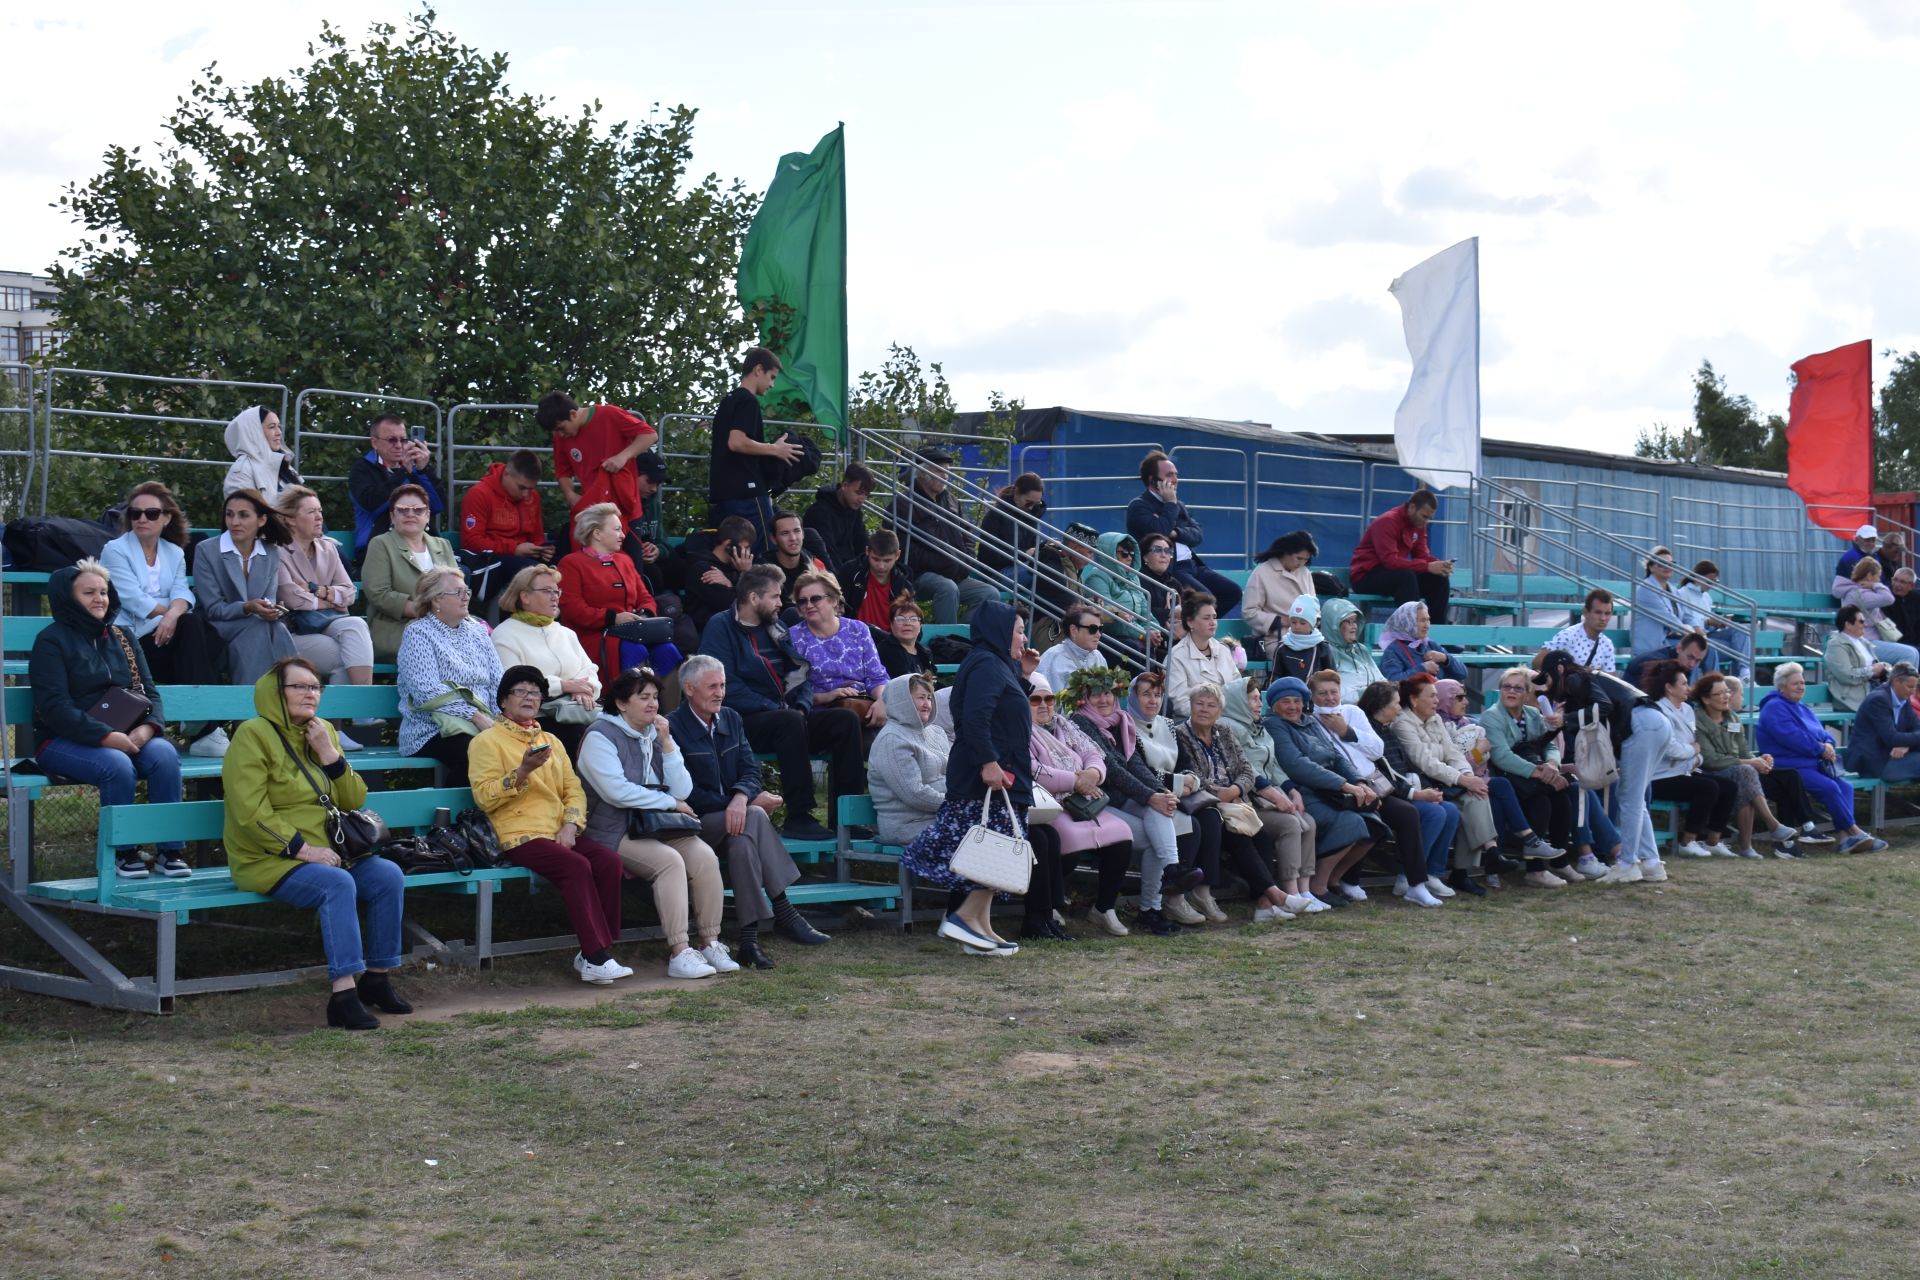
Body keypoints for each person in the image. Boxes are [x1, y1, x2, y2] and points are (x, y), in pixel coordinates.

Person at [221, 657, 411, 1028]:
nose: (311, 693)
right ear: (277, 692)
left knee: (387, 874)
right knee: (337, 884)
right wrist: (303, 851)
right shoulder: (253, 734)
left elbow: (354, 799)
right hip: (268, 858)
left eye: (315, 687)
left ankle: (377, 978)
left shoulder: (322, 731)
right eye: (300, 686)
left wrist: (329, 754)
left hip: (331, 853)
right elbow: (249, 812)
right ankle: (343, 995)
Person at [471, 665, 633, 985]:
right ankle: (597, 954)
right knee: (574, 866)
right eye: (521, 691)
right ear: (503, 701)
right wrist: (521, 772)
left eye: (535, 692)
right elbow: (484, 798)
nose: (529, 697)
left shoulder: (551, 741)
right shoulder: (487, 741)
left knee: (608, 861)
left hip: (558, 830)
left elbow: (573, 789)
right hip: (518, 833)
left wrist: (571, 824)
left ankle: (595, 951)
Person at [669, 654, 831, 969]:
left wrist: (742, 797)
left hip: (736, 819)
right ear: (689, 689)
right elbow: (685, 792)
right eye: (712, 686)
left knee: (743, 844)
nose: (720, 692)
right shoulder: (673, 727)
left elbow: (750, 769)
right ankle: (785, 912)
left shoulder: (731, 717)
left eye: (723, 685)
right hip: (692, 821)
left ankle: (748, 941)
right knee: (755, 817)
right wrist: (738, 804)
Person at [577, 664, 737, 980]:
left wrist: (667, 744)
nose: (652, 704)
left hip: (653, 825)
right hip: (611, 828)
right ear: (621, 703)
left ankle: (710, 942)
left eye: (654, 697)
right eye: (643, 697)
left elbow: (683, 789)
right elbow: (616, 792)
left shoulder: (652, 733)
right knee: (669, 862)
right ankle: (679, 952)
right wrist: (671, 803)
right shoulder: (600, 735)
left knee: (704, 855)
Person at [31, 561, 187, 880]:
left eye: (103, 591)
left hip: (129, 734)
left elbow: (150, 693)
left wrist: (148, 729)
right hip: (62, 741)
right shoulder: (51, 641)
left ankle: (170, 851)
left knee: (165, 754)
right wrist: (105, 737)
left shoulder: (123, 637)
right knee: (115, 764)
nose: (99, 599)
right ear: (68, 598)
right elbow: (54, 707)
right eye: (89, 592)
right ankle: (122, 852)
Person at [902, 602, 1038, 956]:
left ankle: (980, 930)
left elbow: (1004, 713)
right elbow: (976, 721)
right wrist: (989, 763)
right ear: (998, 629)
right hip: (989, 778)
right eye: (1019, 630)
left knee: (997, 854)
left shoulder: (997, 664)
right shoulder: (986, 664)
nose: (1024, 637)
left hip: (1004, 774)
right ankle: (963, 918)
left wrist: (1022, 676)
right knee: (993, 852)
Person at [700, 564, 864, 841]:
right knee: (788, 721)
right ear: (754, 598)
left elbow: (801, 673)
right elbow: (725, 686)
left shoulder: (775, 626)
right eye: (775, 596)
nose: (781, 602)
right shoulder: (721, 626)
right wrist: (776, 707)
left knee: (844, 721)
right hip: (743, 720)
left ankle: (847, 818)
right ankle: (799, 816)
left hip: (786, 715)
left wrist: (802, 705)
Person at [1071, 667, 1207, 936]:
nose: (1104, 700)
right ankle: (1153, 904)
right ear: (1084, 698)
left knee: (1162, 817)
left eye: (1108, 693)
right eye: (1095, 694)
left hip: (1123, 799)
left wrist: (1160, 793)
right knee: (1157, 831)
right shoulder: (1081, 722)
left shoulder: (1119, 720)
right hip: (1097, 801)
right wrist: (1150, 796)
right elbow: (1112, 769)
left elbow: (1135, 764)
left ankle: (1158, 896)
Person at [98, 481, 225, 755]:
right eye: (135, 513)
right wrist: (172, 613)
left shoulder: (174, 552)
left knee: (210, 637)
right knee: (196, 629)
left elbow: (182, 593)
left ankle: (200, 723)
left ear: (166, 518)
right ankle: (204, 727)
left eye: (151, 513)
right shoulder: (115, 550)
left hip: (165, 638)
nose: (142, 518)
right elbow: (132, 598)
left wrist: (172, 615)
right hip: (130, 643)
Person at [1175, 683, 1300, 923]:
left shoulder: (1224, 731)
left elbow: (1246, 769)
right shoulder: (1180, 734)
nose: (1204, 709)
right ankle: (1275, 896)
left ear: (1219, 711)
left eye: (1211, 705)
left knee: (1261, 837)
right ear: (1190, 707)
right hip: (1206, 804)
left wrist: (1235, 789)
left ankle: (1264, 905)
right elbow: (1188, 771)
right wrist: (1216, 792)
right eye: (1199, 704)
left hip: (1235, 802)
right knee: (1239, 837)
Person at [1027, 672, 1135, 938]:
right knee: (1069, 841)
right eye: (1035, 699)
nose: (1044, 705)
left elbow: (1093, 753)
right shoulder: (1022, 730)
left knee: (1122, 836)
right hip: (1050, 804)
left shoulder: (1064, 724)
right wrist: (1075, 781)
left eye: (1049, 698)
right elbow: (1033, 770)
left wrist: (1092, 775)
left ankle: (1104, 907)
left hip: (1086, 799)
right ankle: (1051, 905)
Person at [1262, 677, 1378, 909]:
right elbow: (1297, 764)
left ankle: (1333, 880)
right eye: (1285, 701)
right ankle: (1318, 885)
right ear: (1274, 705)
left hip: (1331, 791)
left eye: (1297, 700)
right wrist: (1345, 786)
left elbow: (1336, 756)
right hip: (1304, 793)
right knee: (1352, 822)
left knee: (1374, 825)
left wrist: (1360, 782)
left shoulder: (1309, 722)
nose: (1293, 706)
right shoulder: (1274, 724)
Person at [273, 486, 375, 748]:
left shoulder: (328, 549)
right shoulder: (278, 551)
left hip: (327, 624)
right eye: (311, 512)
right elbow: (291, 598)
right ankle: (341, 723)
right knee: (346, 656)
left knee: (355, 624)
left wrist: (319, 592)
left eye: (320, 511)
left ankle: (343, 721)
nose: (320, 517)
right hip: (293, 632)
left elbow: (350, 592)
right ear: (291, 519)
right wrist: (332, 597)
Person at [1215, 674, 1323, 915]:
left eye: (1258, 699)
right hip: (1249, 801)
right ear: (1238, 701)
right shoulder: (1228, 726)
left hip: (1268, 796)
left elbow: (1273, 766)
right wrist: (1276, 796)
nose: (1258, 704)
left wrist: (1292, 791)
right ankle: (1290, 891)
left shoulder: (1258, 727)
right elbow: (1247, 769)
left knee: (1309, 822)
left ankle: (1305, 891)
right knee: (1290, 824)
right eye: (1253, 699)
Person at [1754, 662, 1886, 853]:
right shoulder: (1774, 708)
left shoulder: (1802, 707)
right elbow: (1792, 738)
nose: (1801, 687)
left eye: (1802, 683)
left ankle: (1844, 839)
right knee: (1829, 787)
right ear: (1782, 687)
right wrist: (1820, 748)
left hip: (1813, 763)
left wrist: (1830, 745)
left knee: (1845, 787)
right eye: (1795, 684)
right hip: (1789, 766)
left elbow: (1822, 733)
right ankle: (1854, 831)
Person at [1391, 673, 1500, 895]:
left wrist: (1469, 776)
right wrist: (1463, 779)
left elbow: (1453, 754)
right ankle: (1483, 856)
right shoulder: (1402, 722)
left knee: (1475, 796)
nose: (1436, 701)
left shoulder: (1435, 718)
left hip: (1443, 781)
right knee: (1448, 809)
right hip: (1420, 785)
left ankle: (1436, 872)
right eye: (1431, 696)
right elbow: (1425, 761)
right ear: (1413, 699)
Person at [1359, 682, 1464, 907]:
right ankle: (1408, 877)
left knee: (1451, 811)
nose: (1400, 708)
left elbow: (1407, 766)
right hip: (1387, 795)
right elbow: (1381, 775)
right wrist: (1417, 794)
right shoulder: (1369, 732)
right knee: (1435, 814)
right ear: (1381, 706)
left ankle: (1432, 872)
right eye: (1396, 703)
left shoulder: (1387, 728)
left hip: (1406, 790)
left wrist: (1427, 790)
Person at [559, 501, 682, 690]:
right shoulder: (571, 564)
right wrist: (613, 618)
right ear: (597, 533)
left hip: (634, 631)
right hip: (596, 635)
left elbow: (645, 597)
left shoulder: (624, 560)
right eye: (617, 529)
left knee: (668, 651)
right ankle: (635, 713)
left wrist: (645, 614)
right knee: (635, 650)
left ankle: (666, 717)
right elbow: (573, 610)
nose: (623, 535)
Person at [395, 567, 501, 785]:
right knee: (479, 752)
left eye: (466, 591)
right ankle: (455, 817)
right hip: (430, 728)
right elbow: (426, 691)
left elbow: (498, 681)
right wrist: (475, 716)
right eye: (457, 592)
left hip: (484, 723)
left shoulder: (478, 632)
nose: (465, 597)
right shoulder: (419, 633)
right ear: (436, 601)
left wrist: (500, 720)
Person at [1480, 667, 1584, 887]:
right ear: (1499, 690)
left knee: (1558, 797)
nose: (1511, 691)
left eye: (1518, 688)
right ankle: (1536, 870)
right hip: (1507, 778)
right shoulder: (1491, 716)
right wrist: (1540, 773)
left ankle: (1557, 861)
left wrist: (1552, 764)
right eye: (1506, 687)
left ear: (1527, 693)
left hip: (1534, 778)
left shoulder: (1533, 714)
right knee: (1553, 792)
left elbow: (1549, 745)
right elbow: (1501, 757)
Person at [491, 563, 602, 757]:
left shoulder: (566, 632)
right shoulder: (504, 634)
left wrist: (585, 690)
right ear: (524, 597)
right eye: (546, 591)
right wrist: (565, 686)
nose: (555, 597)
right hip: (536, 719)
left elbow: (590, 670)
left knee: (614, 732)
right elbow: (513, 683)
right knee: (584, 741)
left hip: (579, 711)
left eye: (556, 591)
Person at [1691, 671, 1805, 858]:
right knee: (1745, 772)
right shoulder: (1698, 721)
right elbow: (1711, 760)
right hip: (1708, 772)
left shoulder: (1733, 718)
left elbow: (1743, 751)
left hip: (1737, 770)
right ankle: (1769, 828)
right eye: (1720, 694)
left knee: (1747, 778)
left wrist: (1760, 760)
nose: (1726, 696)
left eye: (1727, 692)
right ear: (1706, 699)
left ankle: (1749, 846)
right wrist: (1749, 762)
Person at [192, 488, 298, 686]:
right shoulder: (207, 550)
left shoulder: (272, 552)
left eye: (243, 515)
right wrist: (248, 607)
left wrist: (271, 610)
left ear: (262, 520)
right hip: (215, 627)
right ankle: (261, 702)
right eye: (229, 514)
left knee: (274, 626)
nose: (234, 522)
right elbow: (213, 609)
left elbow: (269, 600)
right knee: (260, 627)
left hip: (255, 626)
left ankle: (289, 694)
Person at [1643, 659, 1739, 858]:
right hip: (1660, 776)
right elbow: (1672, 749)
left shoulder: (1686, 710)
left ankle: (1713, 840)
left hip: (1685, 769)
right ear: (1669, 688)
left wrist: (1695, 756)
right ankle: (1688, 841)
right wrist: (1693, 752)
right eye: (1684, 684)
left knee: (1728, 786)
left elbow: (1694, 746)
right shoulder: (1659, 711)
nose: (1688, 687)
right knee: (1708, 787)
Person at [888, 448, 996, 624]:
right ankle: (947, 643)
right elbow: (904, 548)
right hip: (920, 575)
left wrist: (967, 557)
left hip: (954, 571)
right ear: (922, 472)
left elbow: (967, 534)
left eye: (947, 471)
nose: (945, 476)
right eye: (939, 470)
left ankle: (964, 639)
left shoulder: (952, 501)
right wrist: (942, 560)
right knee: (947, 588)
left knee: (989, 594)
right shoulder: (903, 504)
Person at [1125, 451, 1241, 614]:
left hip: (1193, 565)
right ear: (1153, 480)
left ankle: (1197, 626)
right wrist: (1170, 504)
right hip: (1172, 568)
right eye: (1169, 475)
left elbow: (1197, 534)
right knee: (1205, 599)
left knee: (1233, 592)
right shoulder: (1139, 506)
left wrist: (1175, 532)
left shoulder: (1179, 504)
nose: (1175, 480)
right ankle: (1195, 628)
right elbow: (1160, 531)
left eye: (1176, 475)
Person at [707, 347, 799, 548]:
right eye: (772, 377)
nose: (772, 384)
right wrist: (775, 449)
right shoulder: (748, 401)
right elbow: (737, 441)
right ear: (758, 369)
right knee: (762, 550)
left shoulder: (728, 400)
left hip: (724, 492)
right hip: (746, 492)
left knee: (732, 553)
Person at [538, 390, 660, 534]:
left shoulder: (609, 414)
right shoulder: (561, 438)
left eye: (561, 428)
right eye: (555, 431)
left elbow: (650, 435)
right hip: (595, 512)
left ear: (573, 414)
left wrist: (623, 456)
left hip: (627, 509)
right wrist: (570, 494)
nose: (560, 434)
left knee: (630, 556)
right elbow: (563, 472)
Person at [362, 483, 458, 663]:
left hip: (445, 625)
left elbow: (457, 588)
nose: (410, 514)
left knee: (480, 637)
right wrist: (428, 612)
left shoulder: (443, 545)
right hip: (398, 629)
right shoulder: (381, 544)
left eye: (418, 510)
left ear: (428, 515)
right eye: (402, 510)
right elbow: (379, 594)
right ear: (392, 516)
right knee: (441, 648)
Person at [789, 569, 891, 733]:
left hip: (862, 703)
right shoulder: (794, 637)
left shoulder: (858, 630)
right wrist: (829, 696)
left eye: (815, 599)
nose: (808, 605)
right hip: (820, 712)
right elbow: (794, 691)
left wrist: (882, 702)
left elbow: (876, 677)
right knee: (849, 723)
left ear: (834, 600)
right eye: (802, 601)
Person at [458, 449, 553, 607]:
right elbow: (471, 542)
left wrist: (543, 549)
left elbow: (537, 536)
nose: (526, 494)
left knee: (565, 567)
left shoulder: (532, 496)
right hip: (494, 559)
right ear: (507, 474)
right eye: (522, 487)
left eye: (531, 488)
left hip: (524, 558)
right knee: (536, 576)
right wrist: (514, 549)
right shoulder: (479, 494)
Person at [869, 673, 952, 846]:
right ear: (902, 700)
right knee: (971, 836)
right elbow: (914, 794)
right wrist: (956, 803)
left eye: (929, 698)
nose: (927, 704)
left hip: (940, 816)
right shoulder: (892, 739)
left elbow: (955, 775)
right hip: (907, 826)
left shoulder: (937, 732)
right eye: (921, 698)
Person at [348, 414, 444, 563]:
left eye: (403, 440)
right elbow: (372, 504)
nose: (399, 445)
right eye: (392, 440)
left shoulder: (415, 468)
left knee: (460, 573)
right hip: (378, 548)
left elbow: (438, 506)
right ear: (375, 443)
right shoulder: (361, 469)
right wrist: (404, 472)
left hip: (421, 545)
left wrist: (423, 470)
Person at [1350, 489, 1452, 625]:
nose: (1426, 522)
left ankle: (1437, 635)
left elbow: (1422, 555)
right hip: (1366, 577)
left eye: (1429, 518)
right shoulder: (1387, 522)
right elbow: (1390, 561)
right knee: (1406, 577)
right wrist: (1427, 566)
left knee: (1439, 579)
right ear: (1412, 508)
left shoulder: (1418, 525)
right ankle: (1411, 633)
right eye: (1424, 516)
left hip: (1392, 576)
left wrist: (1439, 564)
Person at [1081, 532, 1161, 663]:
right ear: (1109, 553)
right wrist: (1142, 634)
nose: (1129, 557)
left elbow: (1147, 614)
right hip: (1111, 637)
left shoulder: (1133, 578)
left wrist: (1154, 631)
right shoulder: (1097, 577)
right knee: (1134, 649)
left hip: (1136, 636)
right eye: (1124, 553)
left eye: (1132, 553)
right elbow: (1108, 616)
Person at [1165, 591, 1240, 718]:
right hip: (1193, 723)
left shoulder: (1223, 650)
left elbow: (1237, 690)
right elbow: (1180, 704)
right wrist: (1215, 716)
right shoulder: (1176, 656)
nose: (1213, 622)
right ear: (1190, 622)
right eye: (1206, 618)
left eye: (1214, 617)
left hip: (1229, 719)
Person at [680, 516, 760, 635]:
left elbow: (759, 599)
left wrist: (731, 582)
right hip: (711, 632)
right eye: (746, 547)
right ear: (728, 544)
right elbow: (737, 607)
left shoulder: (735, 569)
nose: (748, 553)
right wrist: (745, 574)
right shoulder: (704, 569)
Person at [1836, 558, 1920, 669]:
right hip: (1865, 641)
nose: (1879, 580)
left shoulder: (1861, 591)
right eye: (1878, 576)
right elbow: (1889, 598)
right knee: (1909, 653)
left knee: (1913, 652)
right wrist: (1875, 585)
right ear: (1870, 576)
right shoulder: (1859, 594)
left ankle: (1904, 683)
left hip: (1871, 640)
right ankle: (1899, 685)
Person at [1845, 661, 1920, 783]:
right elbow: (1891, 738)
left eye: (1915, 687)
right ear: (1896, 681)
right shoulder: (1878, 700)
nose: (1912, 692)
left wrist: (1907, 745)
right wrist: (1909, 742)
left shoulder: (1903, 697)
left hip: (1892, 757)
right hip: (1874, 763)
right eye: (1910, 687)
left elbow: (1917, 728)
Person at [1243, 531, 1318, 652]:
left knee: (1324, 653)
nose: (1301, 563)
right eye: (1298, 558)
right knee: (1295, 658)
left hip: (1307, 637)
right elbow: (1249, 612)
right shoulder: (1262, 572)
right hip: (1275, 639)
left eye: (1305, 559)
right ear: (1285, 552)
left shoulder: (1305, 573)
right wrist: (1279, 620)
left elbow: (1314, 608)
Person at [1674, 560, 1751, 677]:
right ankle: (1742, 675)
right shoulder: (1682, 593)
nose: (1712, 584)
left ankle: (1745, 673)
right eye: (1710, 580)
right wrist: (1707, 622)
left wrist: (1716, 622)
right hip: (1695, 638)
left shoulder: (1707, 597)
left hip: (1708, 634)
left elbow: (1705, 621)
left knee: (1742, 630)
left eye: (1715, 581)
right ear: (1698, 577)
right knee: (1739, 649)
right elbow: (1686, 620)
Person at [803, 462, 875, 575]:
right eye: (858, 493)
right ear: (845, 486)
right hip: (828, 578)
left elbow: (862, 545)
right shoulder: (819, 513)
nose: (862, 499)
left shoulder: (854, 511)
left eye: (866, 495)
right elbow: (826, 555)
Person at [979, 473, 1047, 591]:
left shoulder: (1031, 515)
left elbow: (1033, 547)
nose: (1031, 508)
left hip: (1022, 568)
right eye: (1028, 502)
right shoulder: (996, 514)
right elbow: (989, 554)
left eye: (1037, 504)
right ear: (1016, 493)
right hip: (997, 573)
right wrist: (1024, 553)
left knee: (1053, 571)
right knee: (1046, 573)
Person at [221, 404, 302, 503]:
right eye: (272, 427)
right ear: (254, 432)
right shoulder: (240, 473)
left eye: (279, 426)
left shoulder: (282, 465)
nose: (279, 432)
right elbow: (244, 515)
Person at [841, 529, 914, 630]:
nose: (881, 566)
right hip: (853, 637)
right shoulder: (849, 572)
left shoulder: (904, 585)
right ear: (867, 551)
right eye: (875, 559)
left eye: (887, 560)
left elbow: (912, 625)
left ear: (897, 555)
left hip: (888, 641)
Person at [1377, 601, 1466, 683]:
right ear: (1408, 622)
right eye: (1423, 620)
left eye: (1428, 620)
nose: (1427, 625)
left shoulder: (1430, 644)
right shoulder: (1394, 650)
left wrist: (1445, 658)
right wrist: (1423, 668)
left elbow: (1462, 673)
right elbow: (1392, 682)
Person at [1318, 597, 1386, 703]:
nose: (1354, 626)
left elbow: (1381, 680)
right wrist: (1367, 693)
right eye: (1348, 622)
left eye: (1355, 621)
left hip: (1375, 704)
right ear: (1334, 625)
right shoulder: (1324, 652)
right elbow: (1333, 695)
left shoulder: (1360, 649)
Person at [1826, 604, 1891, 712]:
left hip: (1872, 692)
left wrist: (1884, 668)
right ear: (1848, 625)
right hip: (1852, 700)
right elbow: (1847, 675)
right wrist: (1872, 671)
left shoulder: (1863, 641)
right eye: (1861, 621)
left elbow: (1876, 666)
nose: (1865, 625)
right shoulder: (1836, 645)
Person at [1037, 602, 1111, 696]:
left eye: (1100, 629)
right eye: (1092, 629)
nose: (1098, 634)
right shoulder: (1052, 657)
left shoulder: (1098, 657)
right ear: (1074, 630)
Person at [762, 510, 831, 612]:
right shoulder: (763, 571)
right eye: (785, 533)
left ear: (803, 534)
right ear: (773, 539)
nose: (793, 538)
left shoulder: (815, 564)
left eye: (797, 531)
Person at [1630, 546, 1691, 658]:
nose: (1667, 567)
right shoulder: (1647, 588)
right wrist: (1693, 634)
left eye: (1671, 564)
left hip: (1669, 642)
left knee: (1704, 650)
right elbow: (1668, 618)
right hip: (1652, 648)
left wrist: (1697, 629)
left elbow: (1686, 614)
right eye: (1662, 563)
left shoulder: (1673, 589)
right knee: (1690, 651)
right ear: (1651, 567)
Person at [1542, 589, 1617, 673]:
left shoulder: (1607, 644)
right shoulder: (1568, 636)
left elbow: (1611, 680)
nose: (1603, 618)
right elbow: (1538, 662)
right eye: (1598, 612)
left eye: (1607, 613)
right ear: (1585, 612)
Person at [875, 593, 937, 680]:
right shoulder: (885, 650)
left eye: (913, 619)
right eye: (900, 619)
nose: (907, 623)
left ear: (920, 626)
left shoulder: (925, 652)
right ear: (892, 625)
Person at [1271, 596, 1332, 682]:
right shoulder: (1282, 647)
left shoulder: (1322, 648)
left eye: (1303, 623)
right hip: (1288, 694)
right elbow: (1275, 678)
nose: (1297, 626)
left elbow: (1331, 679)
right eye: (1293, 622)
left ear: (1313, 624)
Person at [1136, 534, 1185, 637]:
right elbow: (1139, 611)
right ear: (1145, 556)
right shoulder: (1138, 580)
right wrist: (1170, 613)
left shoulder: (1175, 584)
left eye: (1167, 551)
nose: (1164, 555)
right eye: (1157, 550)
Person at [1623, 631, 1709, 689]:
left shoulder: (1682, 663)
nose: (1692, 664)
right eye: (1690, 657)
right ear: (1678, 648)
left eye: (1698, 661)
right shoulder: (1658, 664)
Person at [1886, 567, 1920, 648]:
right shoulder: (1886, 598)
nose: (1897, 584)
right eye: (1895, 580)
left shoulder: (1917, 598)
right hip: (1895, 643)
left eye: (1902, 582)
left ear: (1911, 586)